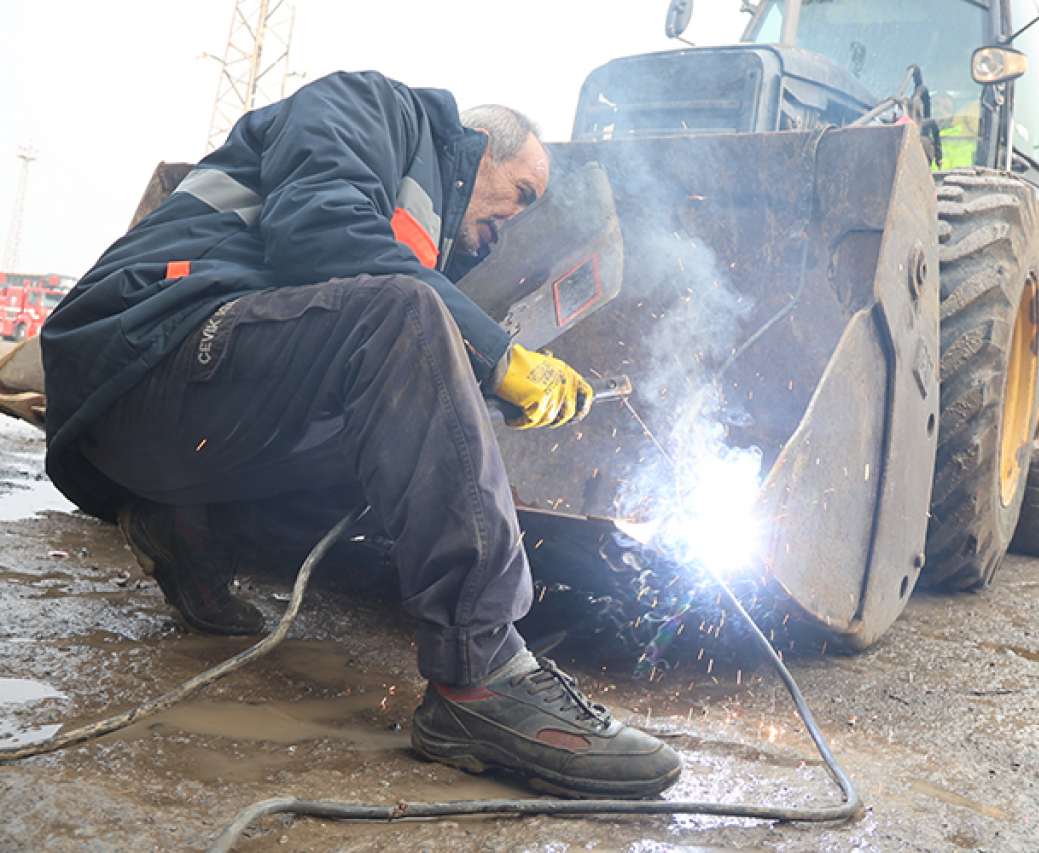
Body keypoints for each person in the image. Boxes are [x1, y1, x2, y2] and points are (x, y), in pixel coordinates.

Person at [40, 70, 680, 799]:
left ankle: (191, 524)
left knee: (410, 404)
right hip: (148, 347)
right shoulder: (370, 106)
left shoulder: (419, 230)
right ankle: (482, 679)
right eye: (520, 194)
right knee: (406, 318)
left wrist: (472, 382)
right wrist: (498, 359)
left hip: (165, 422)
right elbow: (322, 234)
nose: (513, 221)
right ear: (477, 148)